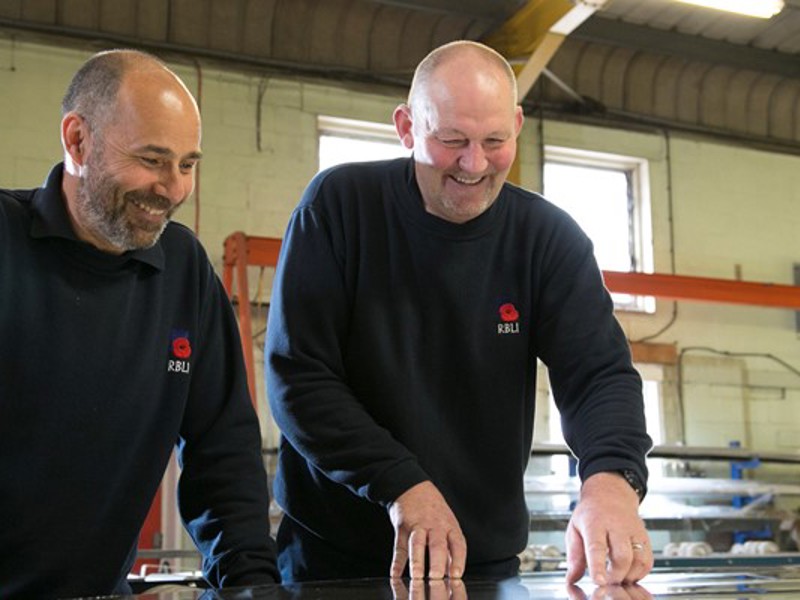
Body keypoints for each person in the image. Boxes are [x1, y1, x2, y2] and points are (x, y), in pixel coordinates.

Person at [265, 40, 653, 586]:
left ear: (517, 125)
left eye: (495, 141)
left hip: (482, 565)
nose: (474, 164)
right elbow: (299, 377)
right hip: (336, 560)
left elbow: (598, 374)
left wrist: (611, 478)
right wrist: (402, 485)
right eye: (452, 141)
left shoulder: (547, 239)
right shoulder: (339, 208)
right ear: (406, 127)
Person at [0, 49, 279, 598]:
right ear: (78, 141)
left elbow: (223, 457)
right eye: (152, 160)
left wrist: (252, 586)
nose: (172, 188)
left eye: (188, 164)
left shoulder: (184, 271)